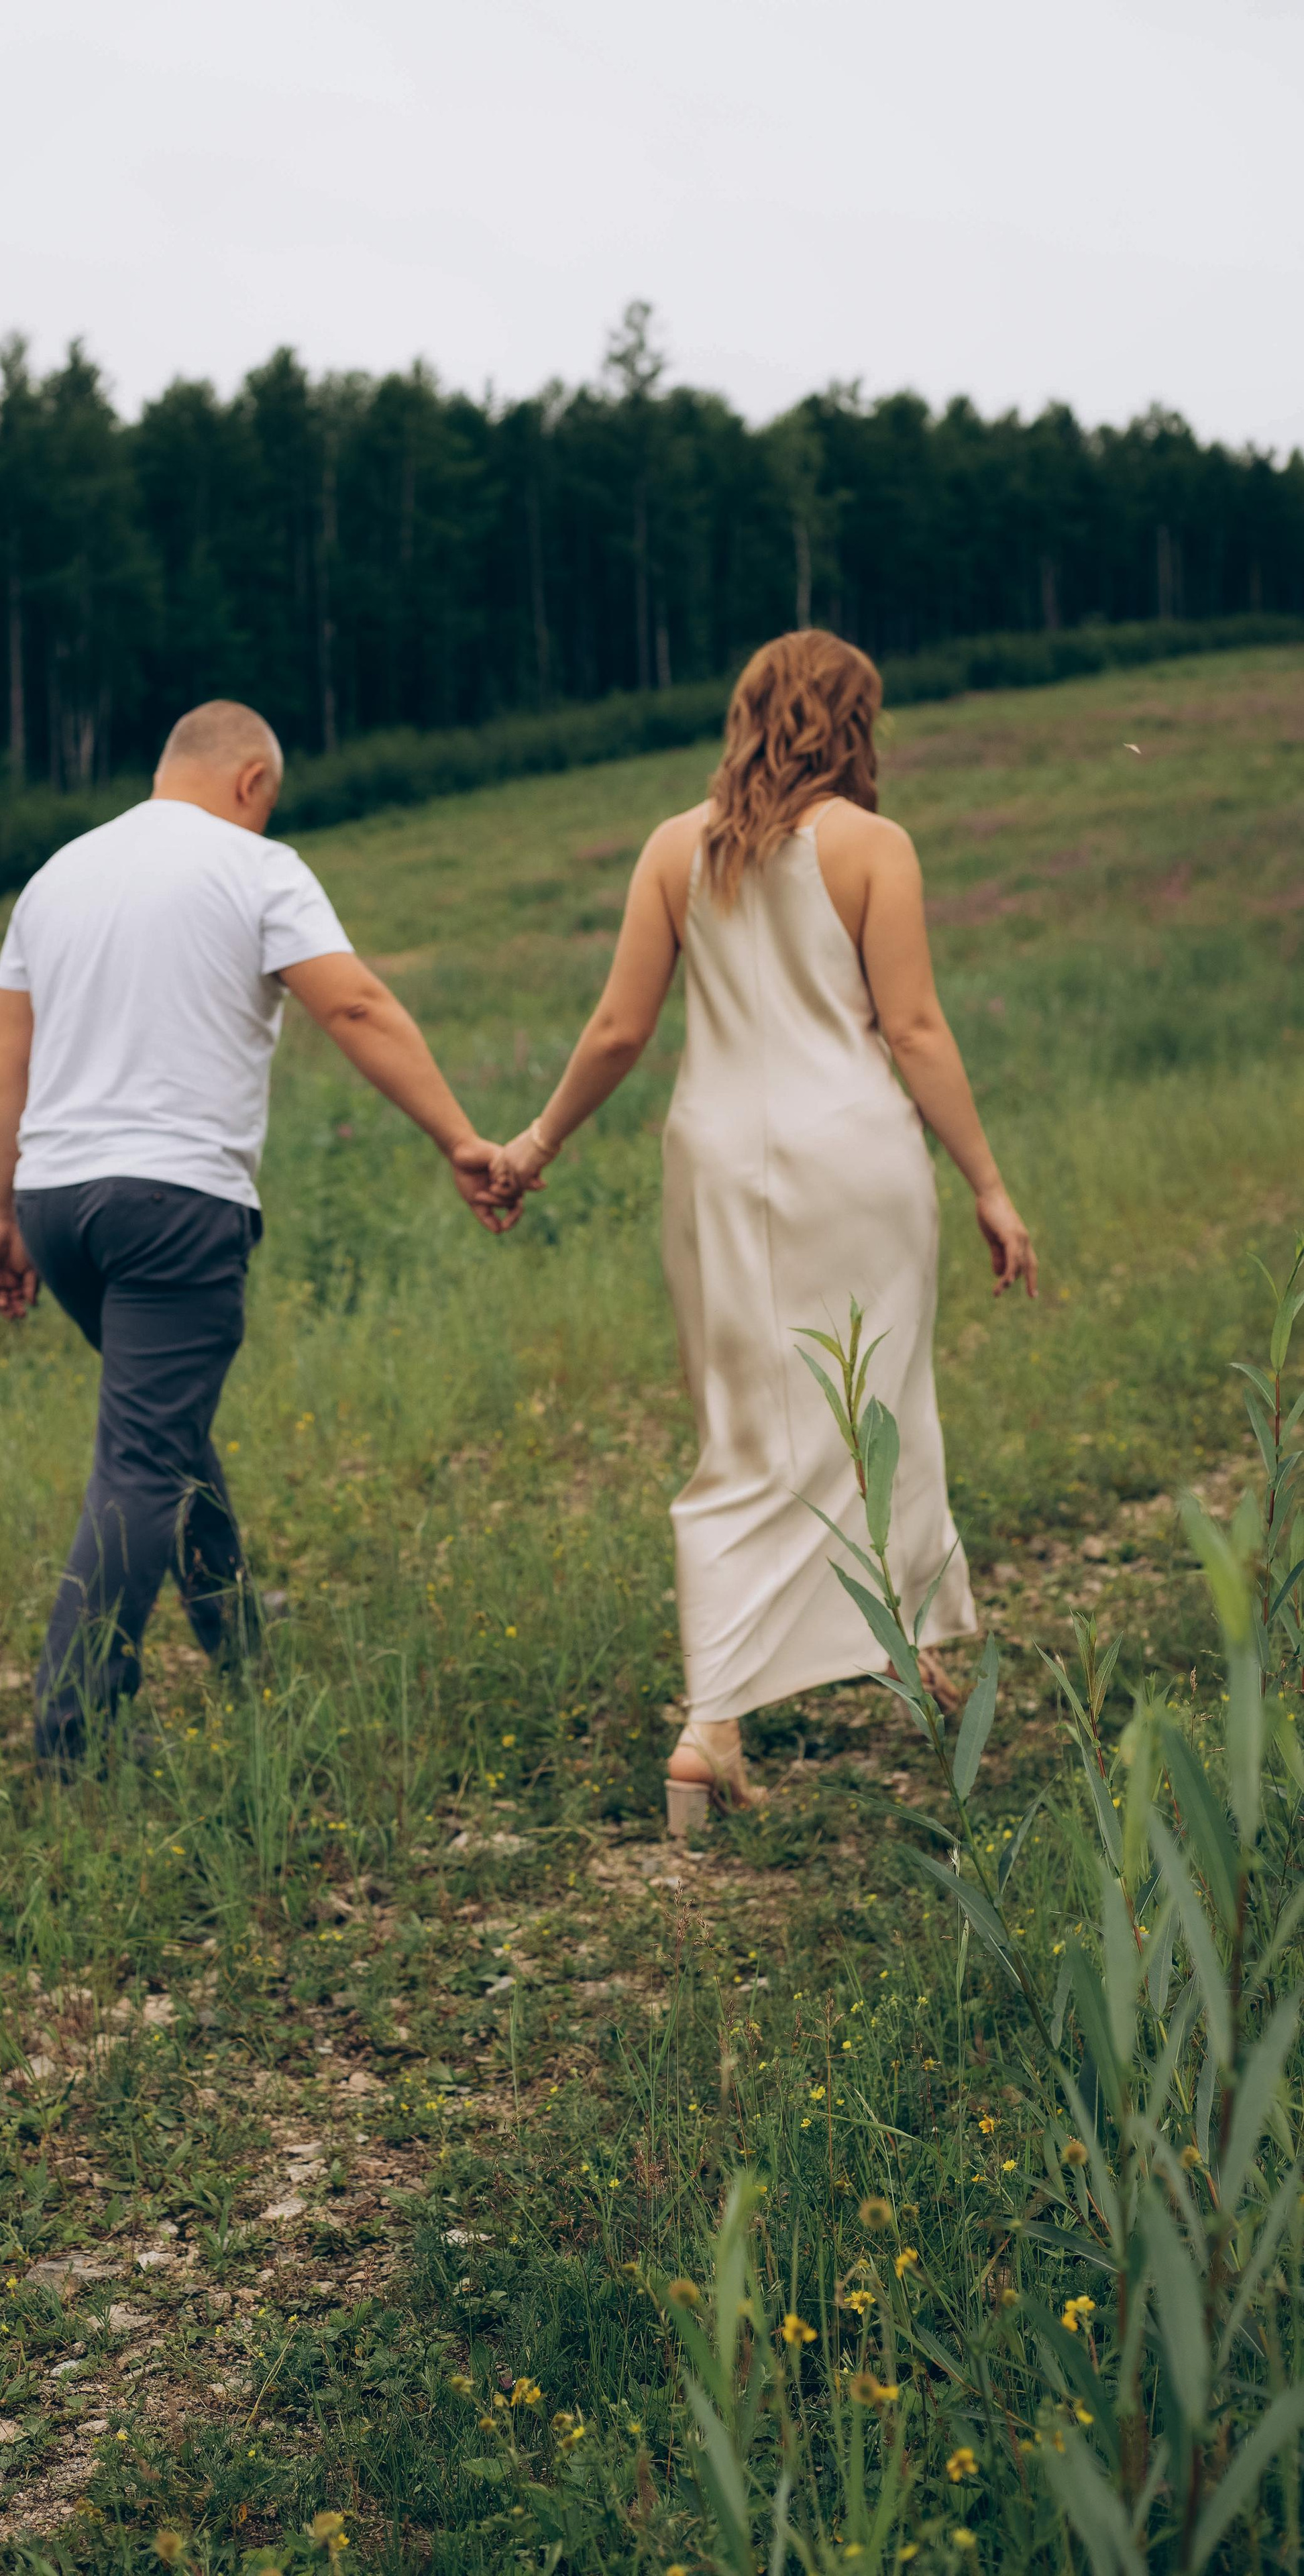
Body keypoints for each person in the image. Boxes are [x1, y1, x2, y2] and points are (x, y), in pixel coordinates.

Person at [492, 630, 1037, 1830]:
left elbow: (619, 1031)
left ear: (747, 717)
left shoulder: (672, 849)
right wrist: (989, 1184)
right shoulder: (874, 846)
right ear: (852, 724)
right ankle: (894, 1649)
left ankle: (723, 1726)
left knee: (742, 1424)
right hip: (855, 1158)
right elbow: (915, 1030)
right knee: (880, 1398)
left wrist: (534, 1145)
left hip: (718, 1163)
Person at [0, 699, 516, 1764]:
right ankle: (76, 1731)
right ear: (251, 782)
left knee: (160, 1422)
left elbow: (3, 1056)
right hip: (173, 1204)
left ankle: (235, 1632)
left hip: (57, 1201)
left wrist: (1, 1214)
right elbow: (354, 1007)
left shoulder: (57, 875)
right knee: (142, 1455)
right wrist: (459, 1137)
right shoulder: (257, 867)